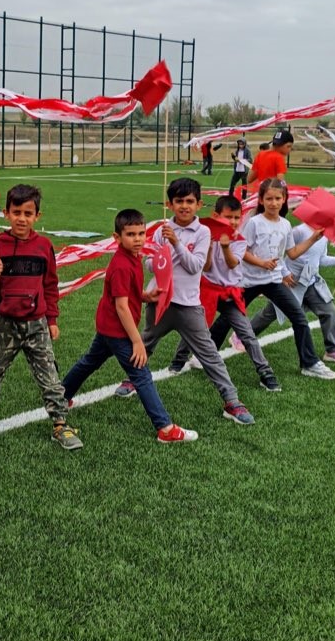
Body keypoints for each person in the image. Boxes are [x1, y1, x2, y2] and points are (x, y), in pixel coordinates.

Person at [115, 177, 256, 426]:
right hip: (159, 301)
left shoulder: (203, 232)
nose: (184, 206)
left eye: (189, 201)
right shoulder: (160, 230)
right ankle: (132, 379)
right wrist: (162, 255)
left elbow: (195, 267)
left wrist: (176, 243)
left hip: (189, 305)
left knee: (209, 354)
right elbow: (149, 264)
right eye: (178, 201)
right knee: (146, 342)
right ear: (170, 204)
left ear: (199, 204)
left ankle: (232, 401)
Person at [61, 209, 198, 443]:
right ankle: (165, 428)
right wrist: (137, 341)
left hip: (108, 326)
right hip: (117, 330)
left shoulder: (133, 258)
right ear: (117, 237)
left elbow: (129, 295)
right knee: (141, 373)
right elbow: (122, 307)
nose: (138, 239)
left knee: (89, 362)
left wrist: (146, 296)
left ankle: (60, 397)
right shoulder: (122, 265)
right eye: (131, 234)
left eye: (141, 233)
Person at [0, 185, 81, 449]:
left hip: (36, 325)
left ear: (37, 216)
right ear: (6, 213)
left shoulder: (44, 246)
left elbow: (50, 285)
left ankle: (60, 423)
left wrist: (52, 319)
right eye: (16, 212)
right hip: (5, 324)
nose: (22, 218)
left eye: (28, 213)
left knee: (49, 377)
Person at [212, 178, 335, 380]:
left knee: (299, 318)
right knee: (228, 318)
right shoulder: (254, 223)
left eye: (277, 198)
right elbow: (241, 250)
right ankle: (205, 355)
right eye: (269, 198)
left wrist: (312, 239)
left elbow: (292, 253)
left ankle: (310, 363)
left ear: (284, 200)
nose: (273, 202)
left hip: (273, 281)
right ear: (261, 200)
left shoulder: (286, 224)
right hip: (249, 281)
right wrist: (261, 263)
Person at [169, 194, 281, 392]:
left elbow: (232, 263)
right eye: (228, 217)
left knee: (246, 333)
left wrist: (226, 246)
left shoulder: (239, 240)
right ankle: (179, 359)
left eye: (237, 218)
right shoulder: (204, 236)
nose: (233, 222)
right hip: (208, 290)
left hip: (231, 293)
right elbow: (206, 266)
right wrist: (211, 246)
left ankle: (266, 373)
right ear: (215, 215)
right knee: (195, 328)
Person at [244, 222, 335, 366]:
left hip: (310, 281)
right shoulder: (298, 231)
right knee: (272, 312)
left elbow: (320, 259)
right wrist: (284, 274)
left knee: (329, 311)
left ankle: (333, 350)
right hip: (292, 282)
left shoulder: (324, 235)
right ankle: (244, 336)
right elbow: (279, 254)